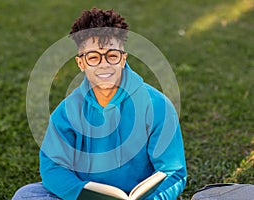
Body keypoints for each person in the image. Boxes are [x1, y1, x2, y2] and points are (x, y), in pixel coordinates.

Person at [12, 7, 187, 200]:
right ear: (81, 63)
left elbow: (174, 171)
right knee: (26, 194)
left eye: (112, 55)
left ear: (123, 59)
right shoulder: (67, 111)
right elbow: (53, 168)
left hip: (139, 198)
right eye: (94, 57)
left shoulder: (157, 105)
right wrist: (80, 194)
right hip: (86, 197)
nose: (104, 65)